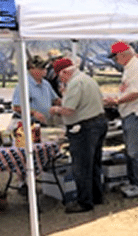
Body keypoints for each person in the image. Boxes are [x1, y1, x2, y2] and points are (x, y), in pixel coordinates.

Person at [49, 58, 108, 213]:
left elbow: (69, 110)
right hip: (98, 122)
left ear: (66, 72)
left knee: (81, 166)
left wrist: (55, 109)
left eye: (60, 76)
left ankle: (84, 202)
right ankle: (96, 196)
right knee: (94, 163)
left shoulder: (75, 83)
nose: (60, 80)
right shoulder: (88, 79)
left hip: (84, 127)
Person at [104, 41, 138, 198]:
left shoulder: (137, 67)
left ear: (123, 55)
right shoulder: (130, 67)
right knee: (131, 151)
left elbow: (136, 92)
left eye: (115, 57)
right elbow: (129, 90)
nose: (115, 61)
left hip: (135, 112)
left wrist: (117, 101)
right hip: (129, 112)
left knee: (135, 151)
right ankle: (134, 182)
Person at [11, 55, 61, 126]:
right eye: (41, 68)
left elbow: (56, 100)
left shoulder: (46, 84)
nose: (45, 70)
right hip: (29, 125)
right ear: (32, 69)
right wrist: (34, 113)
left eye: (45, 68)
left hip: (45, 123)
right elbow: (17, 107)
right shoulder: (23, 85)